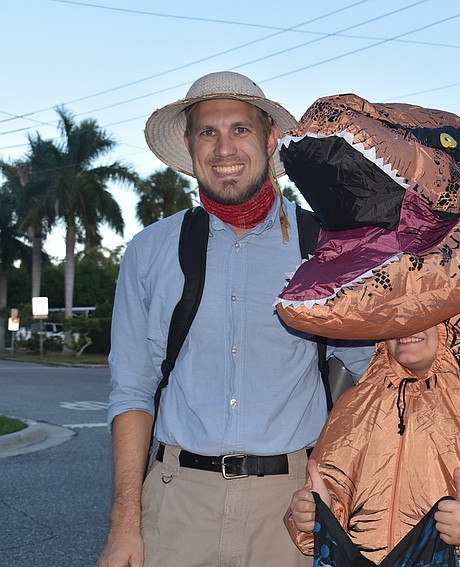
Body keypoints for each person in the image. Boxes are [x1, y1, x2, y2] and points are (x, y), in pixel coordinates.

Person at [97, 71, 373, 567]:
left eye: (241, 129)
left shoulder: (324, 248)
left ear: (269, 139)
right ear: (190, 144)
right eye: (209, 132)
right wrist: (123, 525)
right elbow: (132, 393)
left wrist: (337, 474)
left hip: (292, 510)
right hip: (177, 506)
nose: (225, 148)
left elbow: (375, 373)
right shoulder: (148, 252)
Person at [286, 321, 460, 565]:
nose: (405, 325)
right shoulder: (354, 407)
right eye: (395, 314)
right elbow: (324, 505)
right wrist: (314, 516)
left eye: (421, 315)